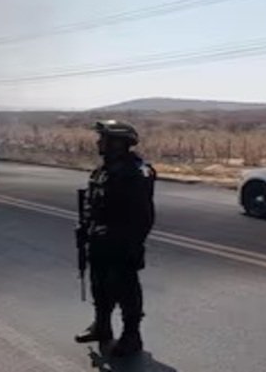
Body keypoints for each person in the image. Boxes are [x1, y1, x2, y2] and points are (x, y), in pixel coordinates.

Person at [75, 120, 156, 357]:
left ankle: (132, 336)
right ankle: (102, 326)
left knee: (126, 289)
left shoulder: (135, 172)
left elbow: (143, 215)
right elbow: (93, 202)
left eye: (104, 139)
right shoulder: (104, 169)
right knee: (99, 284)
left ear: (118, 143)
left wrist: (131, 243)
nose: (98, 142)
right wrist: (85, 228)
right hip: (99, 238)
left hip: (122, 241)